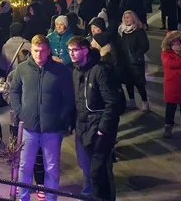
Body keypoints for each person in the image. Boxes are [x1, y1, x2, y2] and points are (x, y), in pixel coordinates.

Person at [9, 34, 74, 201]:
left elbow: (68, 99)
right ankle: (23, 198)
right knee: (25, 166)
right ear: (31, 50)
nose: (39, 54)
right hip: (29, 128)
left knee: (51, 168)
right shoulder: (22, 69)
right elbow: (14, 91)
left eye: (42, 51)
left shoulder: (61, 72)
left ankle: (51, 198)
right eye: (36, 51)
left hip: (52, 129)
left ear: (48, 51)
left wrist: (61, 119)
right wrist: (20, 111)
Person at [68, 36, 123, 200]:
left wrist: (103, 128)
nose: (71, 53)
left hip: (98, 128)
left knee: (99, 172)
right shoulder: (76, 71)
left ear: (85, 50)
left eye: (75, 50)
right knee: (87, 168)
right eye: (69, 50)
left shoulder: (100, 70)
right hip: (83, 127)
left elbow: (112, 102)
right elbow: (77, 100)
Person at [117, 10, 151, 111]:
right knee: (128, 82)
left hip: (136, 62)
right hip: (125, 61)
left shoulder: (138, 30)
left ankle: (145, 102)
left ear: (133, 18)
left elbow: (145, 45)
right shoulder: (121, 31)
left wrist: (137, 55)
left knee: (139, 83)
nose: (126, 19)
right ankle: (132, 101)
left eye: (128, 17)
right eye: (125, 17)